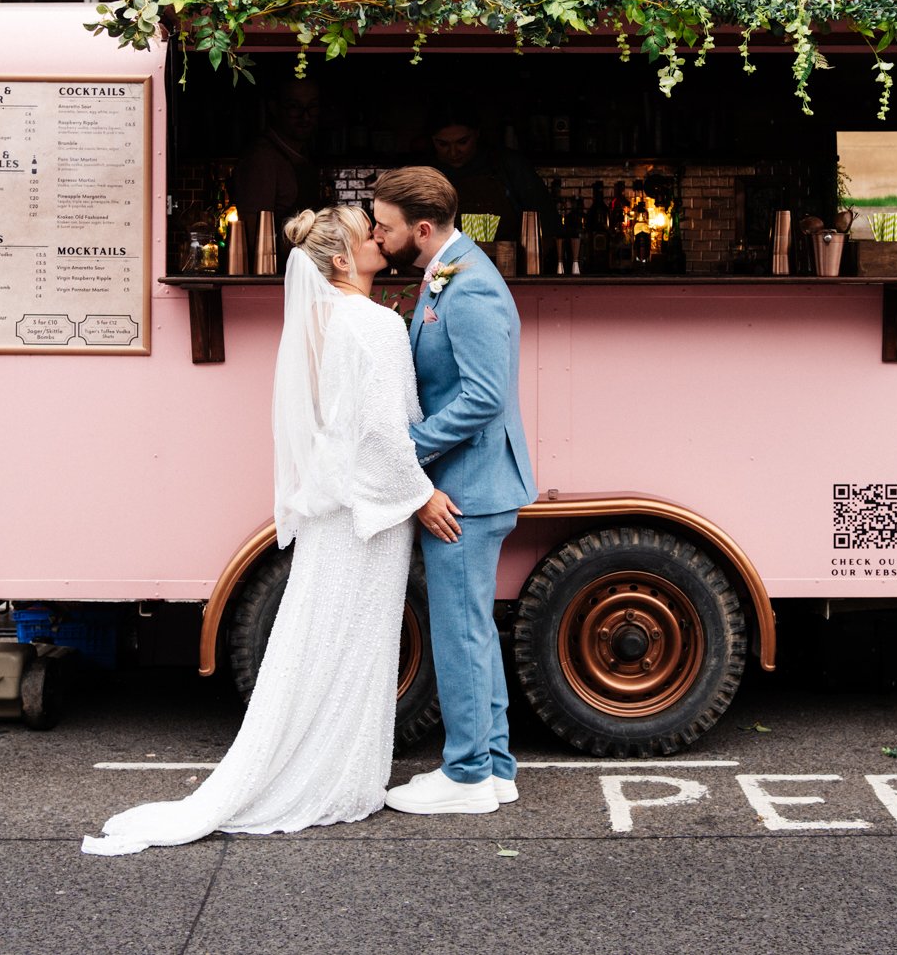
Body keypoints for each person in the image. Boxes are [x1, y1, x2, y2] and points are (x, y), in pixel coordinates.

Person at [83, 205, 460, 855]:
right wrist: (422, 493)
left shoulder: (317, 321)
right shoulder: (374, 323)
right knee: (358, 643)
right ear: (341, 260)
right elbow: (385, 427)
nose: (378, 234)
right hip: (372, 514)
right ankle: (341, 778)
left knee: (319, 638)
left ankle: (319, 768)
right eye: (364, 231)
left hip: (334, 509)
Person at [371, 166, 537, 815]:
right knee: (472, 627)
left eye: (383, 224)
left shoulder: (469, 287)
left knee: (459, 628)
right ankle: (493, 766)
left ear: (420, 227)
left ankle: (466, 773)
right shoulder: (449, 272)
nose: (376, 234)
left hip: (470, 485)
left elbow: (484, 397)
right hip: (473, 480)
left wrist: (407, 449)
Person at [425, 102, 554, 246]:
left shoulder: (509, 166)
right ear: (432, 140)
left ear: (476, 134)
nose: (453, 152)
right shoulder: (424, 174)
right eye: (443, 144)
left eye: (462, 142)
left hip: (507, 264)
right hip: (440, 266)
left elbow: (548, 226)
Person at [232, 77, 323, 242]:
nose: (305, 116)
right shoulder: (262, 159)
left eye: (312, 107)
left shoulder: (303, 154)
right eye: (294, 107)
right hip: (276, 266)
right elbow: (252, 235)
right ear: (275, 108)